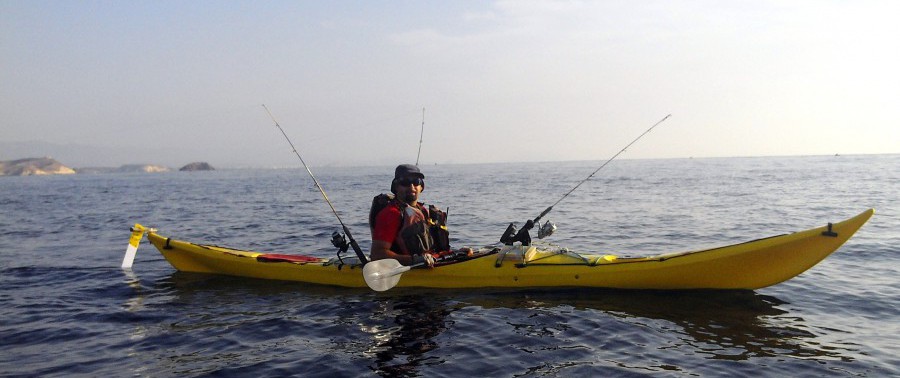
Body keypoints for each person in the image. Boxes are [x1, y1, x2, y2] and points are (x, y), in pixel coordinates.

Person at [369, 164, 448, 267]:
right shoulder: (391, 214)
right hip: (405, 270)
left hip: (430, 264)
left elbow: (432, 249)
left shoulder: (423, 211)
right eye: (405, 182)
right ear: (396, 187)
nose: (412, 187)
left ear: (421, 187)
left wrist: (456, 253)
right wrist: (414, 260)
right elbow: (377, 254)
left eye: (416, 182)